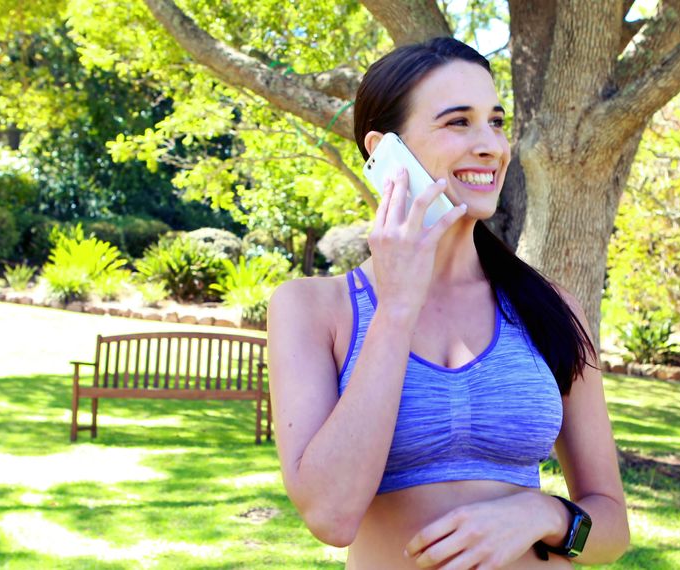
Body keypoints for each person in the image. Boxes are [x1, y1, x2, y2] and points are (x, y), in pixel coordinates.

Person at [267, 37, 629, 569]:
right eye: (458, 122)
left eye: (496, 122)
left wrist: (543, 513)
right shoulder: (312, 308)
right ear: (382, 150)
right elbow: (331, 515)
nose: (491, 146)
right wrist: (396, 307)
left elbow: (612, 526)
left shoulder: (551, 309)